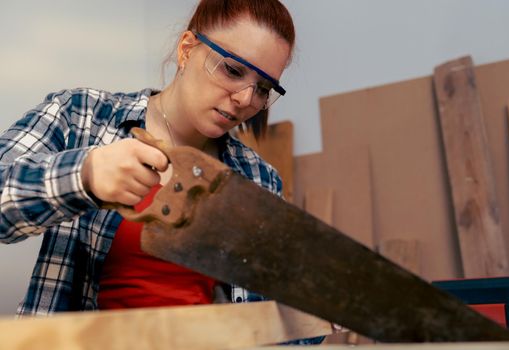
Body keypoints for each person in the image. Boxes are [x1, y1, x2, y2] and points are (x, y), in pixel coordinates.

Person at [0, 0, 324, 344]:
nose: (246, 99)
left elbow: (269, 323)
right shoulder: (82, 116)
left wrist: (315, 321)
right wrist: (85, 175)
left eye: (262, 88)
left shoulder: (259, 179)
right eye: (233, 70)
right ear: (187, 49)